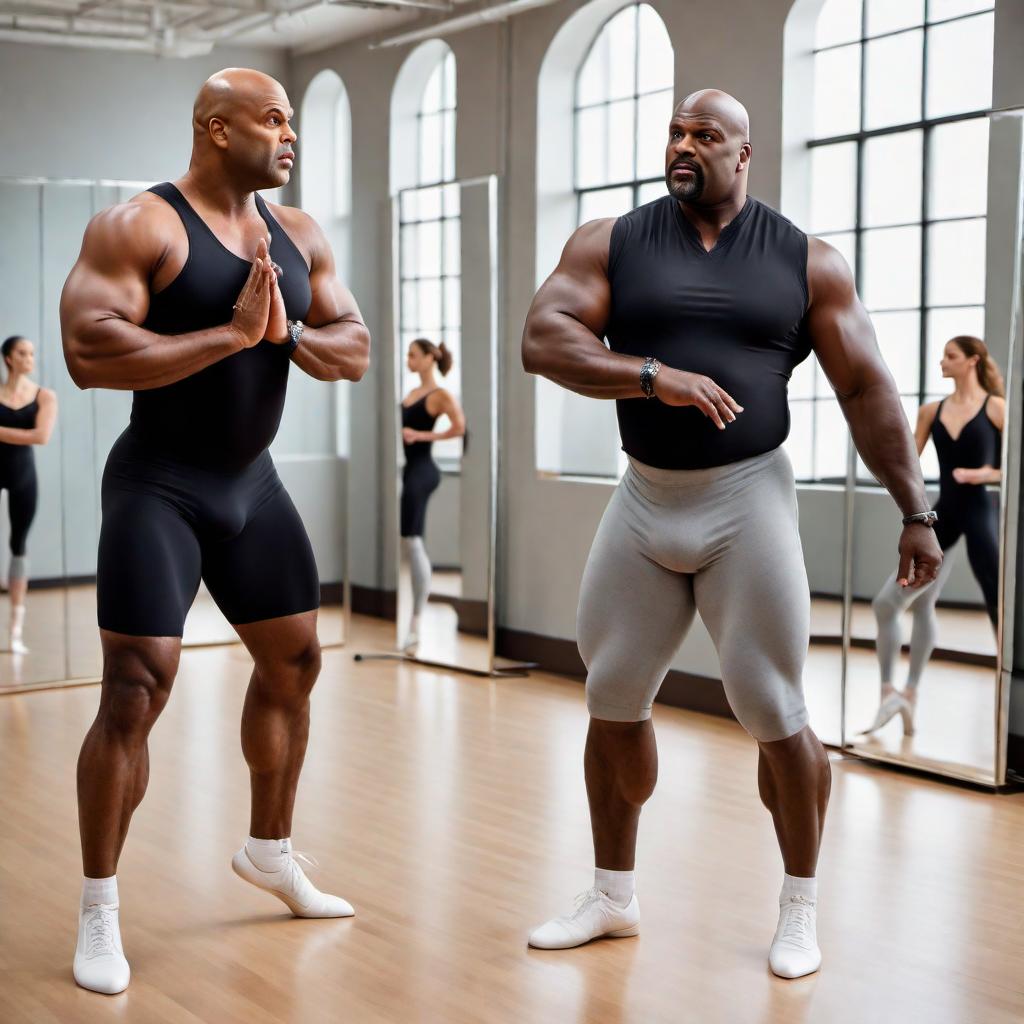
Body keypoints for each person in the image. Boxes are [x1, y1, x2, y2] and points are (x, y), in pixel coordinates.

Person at [520, 89, 942, 978]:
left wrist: (915, 510)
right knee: (612, 697)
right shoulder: (611, 240)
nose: (683, 145)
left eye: (704, 135)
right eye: (675, 131)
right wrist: (649, 375)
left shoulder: (805, 260)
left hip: (747, 499)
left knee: (777, 711)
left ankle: (798, 908)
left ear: (743, 154)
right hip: (643, 500)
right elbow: (544, 340)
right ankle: (612, 895)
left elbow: (867, 390)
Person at [59, 68, 370, 995]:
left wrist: (281, 339)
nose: (289, 136)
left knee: (297, 663)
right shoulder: (140, 226)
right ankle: (99, 907)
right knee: (135, 689)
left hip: (252, 487)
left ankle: (270, 851)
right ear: (213, 127)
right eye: (271, 120)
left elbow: (351, 347)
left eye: (291, 123)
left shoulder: (298, 234)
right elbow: (87, 352)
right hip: (161, 484)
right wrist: (227, 339)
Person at [865, 336, 1005, 736]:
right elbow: (906, 463)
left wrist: (983, 474)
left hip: (981, 513)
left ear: (973, 361)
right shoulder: (932, 411)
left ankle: (1007, 702)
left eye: (951, 356)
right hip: (942, 515)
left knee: (997, 602)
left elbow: (1013, 466)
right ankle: (898, 693)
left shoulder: (996, 408)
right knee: (897, 602)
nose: (942, 361)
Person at [399, 338, 466, 650]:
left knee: (412, 542)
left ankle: (415, 623)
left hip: (424, 471)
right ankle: (412, 622)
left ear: (428, 359)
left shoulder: (439, 395)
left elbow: (459, 427)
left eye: (413, 355)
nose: (408, 359)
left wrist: (421, 434)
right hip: (410, 470)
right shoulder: (411, 394)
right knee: (410, 544)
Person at [0, 335, 57, 653]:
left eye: (32, 353)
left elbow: (41, 435)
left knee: (17, 545)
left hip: (23, 477)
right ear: (8, 358)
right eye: (23, 353)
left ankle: (15, 631)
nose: (29, 358)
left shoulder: (44, 396)